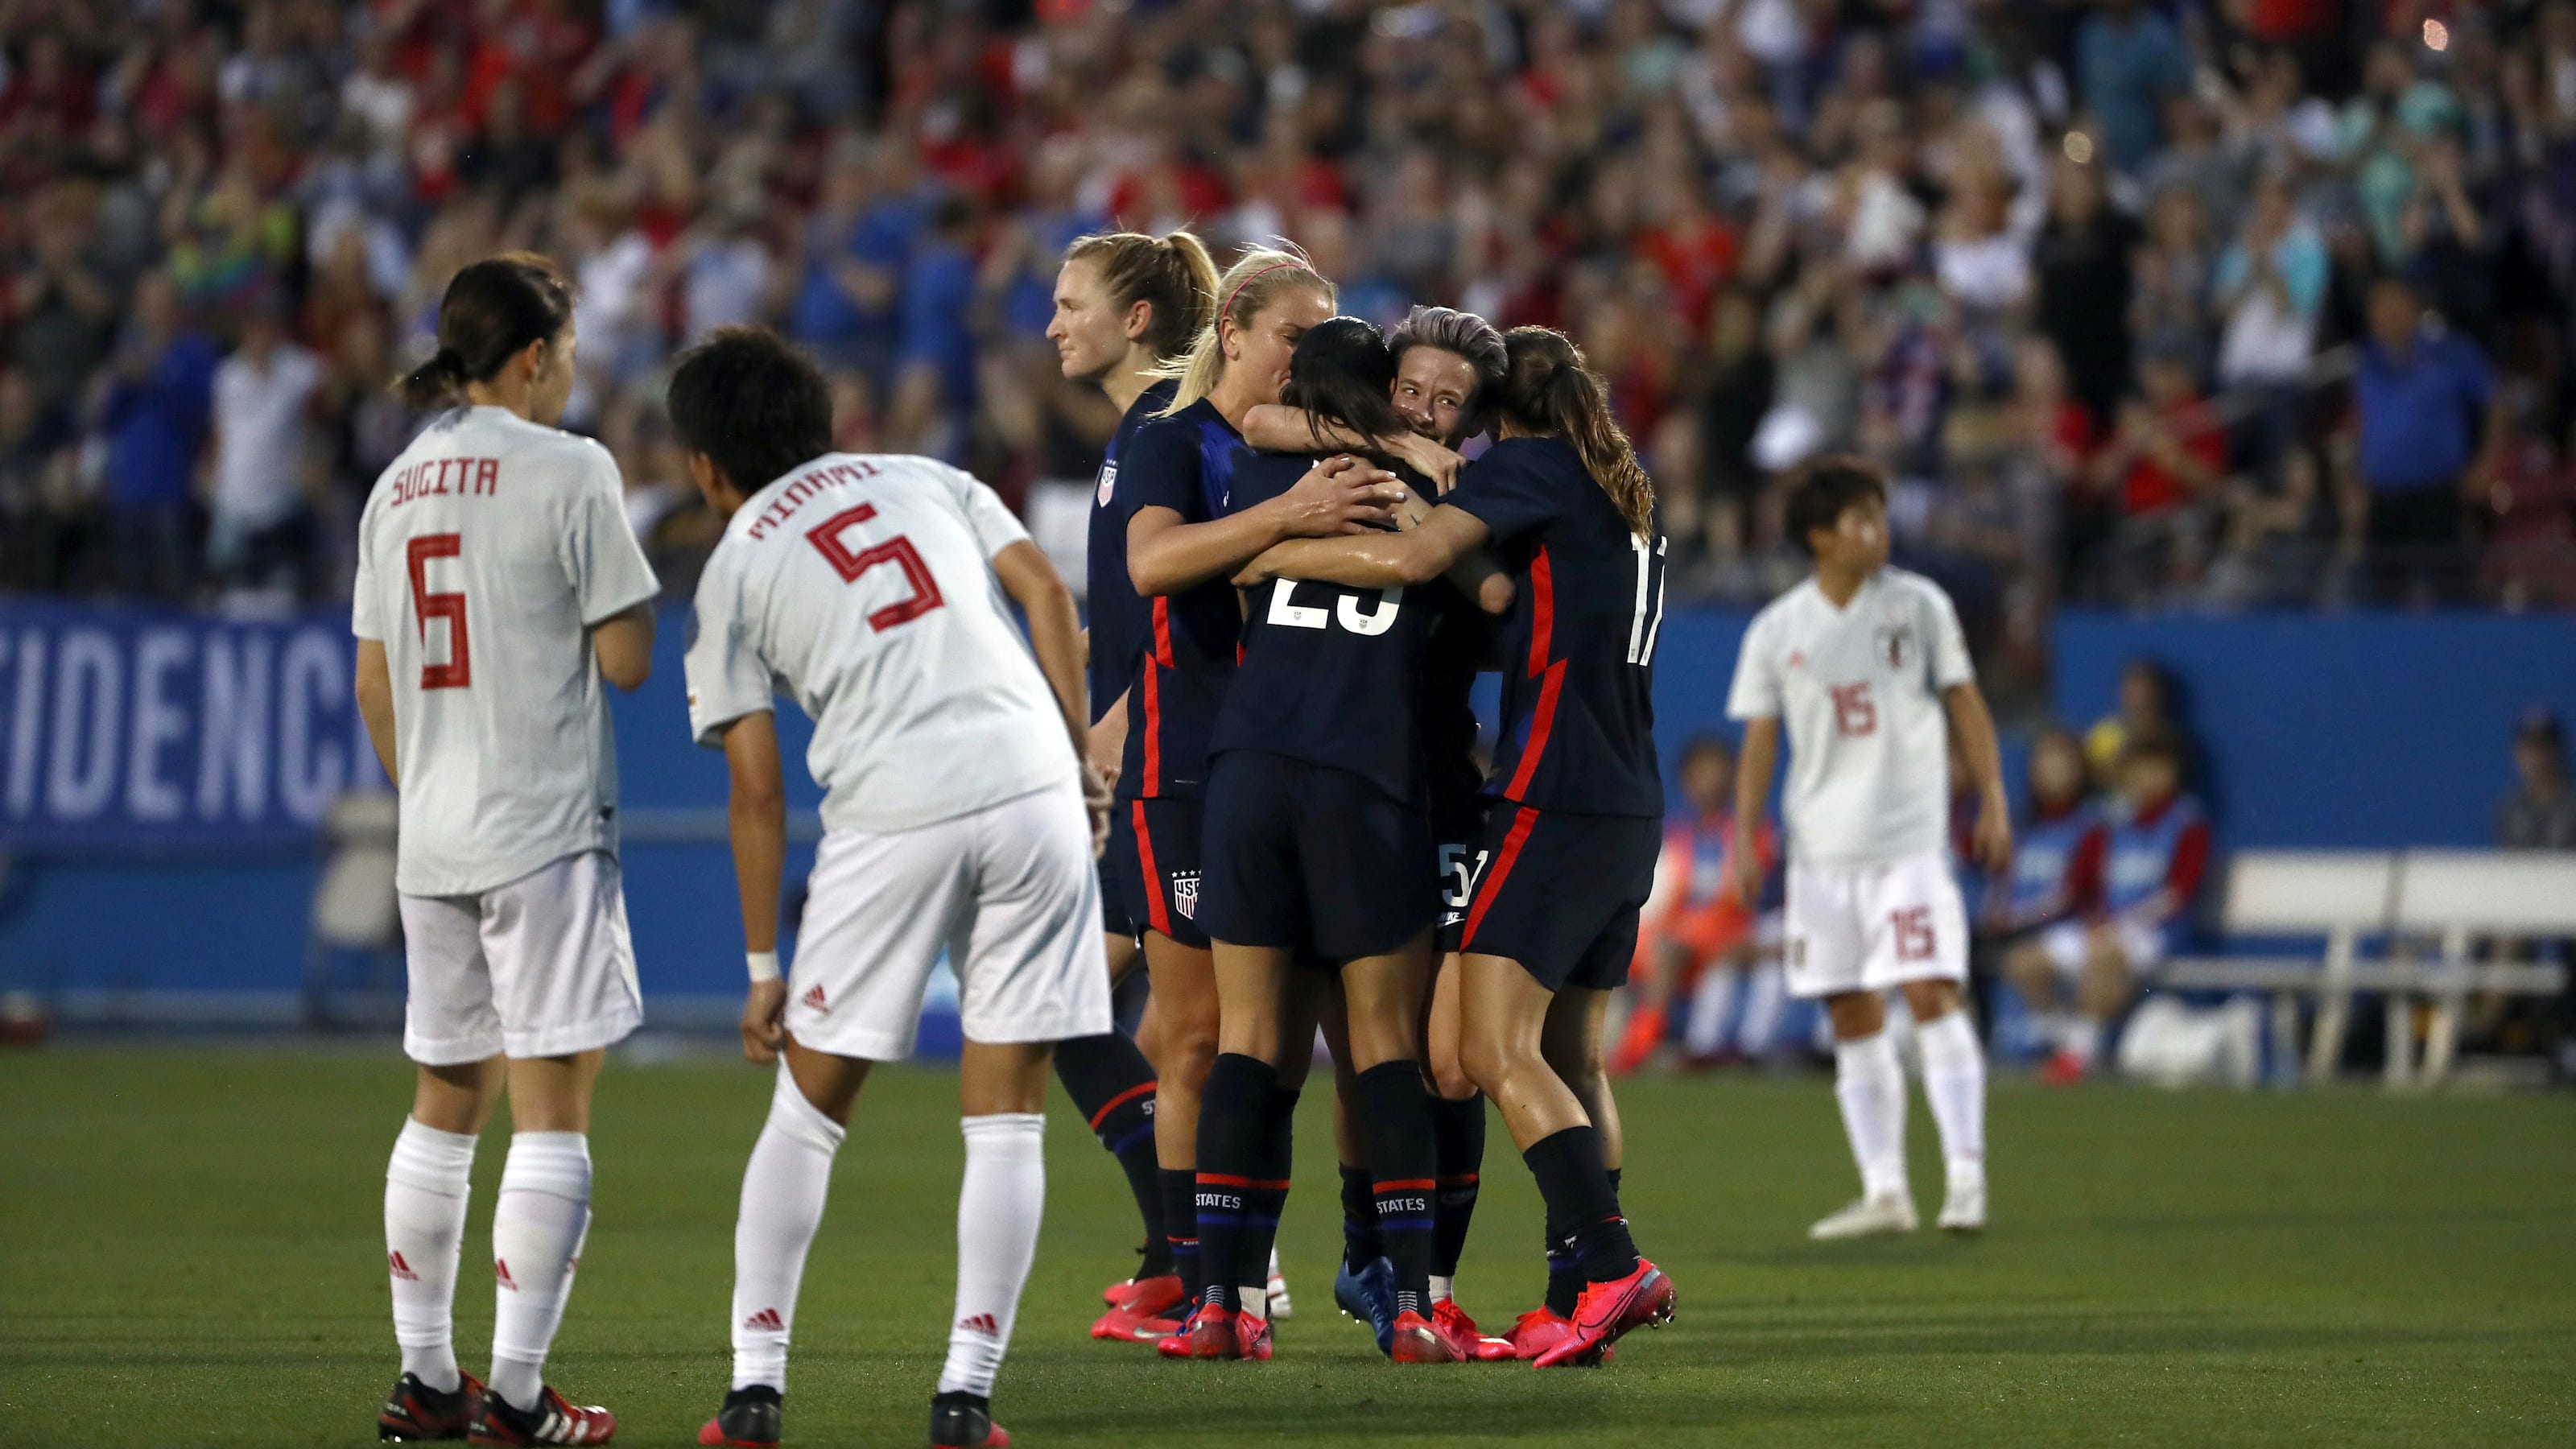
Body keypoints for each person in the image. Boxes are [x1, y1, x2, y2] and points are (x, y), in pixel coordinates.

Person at [671, 328, 1113, 1449]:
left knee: (811, 1114)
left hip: (892, 806)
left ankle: (755, 1392)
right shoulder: (926, 478)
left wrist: (765, 971)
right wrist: (1080, 758)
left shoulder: (731, 567)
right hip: (1030, 787)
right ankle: (966, 1399)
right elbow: (1047, 597)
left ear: (705, 468)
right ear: (821, 425)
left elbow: (758, 796)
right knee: (1007, 1117)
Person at [1234, 326, 1677, 1368]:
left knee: (1485, 1050)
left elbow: (1420, 557)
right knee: (1569, 1056)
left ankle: (1610, 1267)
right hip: (1628, 802)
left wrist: (1271, 547)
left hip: (1552, 796)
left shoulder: (1531, 467)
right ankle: (1579, 1301)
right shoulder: (1627, 489)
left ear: (1498, 420)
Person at [355, 254, 658, 1447]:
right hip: (542, 829)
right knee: (551, 1109)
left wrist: (429, 788)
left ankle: (427, 1382)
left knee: (443, 1100)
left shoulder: (394, 487)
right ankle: (520, 1401)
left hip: (432, 835)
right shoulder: (573, 467)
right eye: (571, 351)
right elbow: (628, 658)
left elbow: (377, 680)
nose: (574, 371)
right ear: (532, 357)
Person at [1181, 316, 1510, 1365]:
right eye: (1412, 391)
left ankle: (1222, 1306)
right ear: (1383, 390)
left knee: (1247, 1043)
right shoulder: (1453, 493)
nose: (1423, 411)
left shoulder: (1271, 471)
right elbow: (1489, 599)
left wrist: (1291, 539)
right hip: (1365, 781)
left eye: (1444, 400)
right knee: (1385, 1048)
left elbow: (1238, 544)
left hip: (1250, 769)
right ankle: (1409, 1303)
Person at [1112, 247, 1394, 1340]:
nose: (1304, 356)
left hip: (1294, 764)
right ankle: (1201, 1282)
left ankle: (1324, 1266)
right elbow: (1152, 566)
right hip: (1191, 763)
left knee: (1305, 1039)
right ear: (1232, 328)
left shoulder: (1307, 449)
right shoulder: (1171, 441)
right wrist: (1290, 521)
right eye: (1292, 332)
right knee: (1199, 1038)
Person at [1725, 455, 2011, 1241]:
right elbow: (1758, 741)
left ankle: (1965, 1177)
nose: (1876, 534)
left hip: (1907, 845)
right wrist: (1745, 838)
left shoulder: (1918, 606)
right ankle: (1884, 1190)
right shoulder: (1777, 629)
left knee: (1929, 994)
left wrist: (1991, 796)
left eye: (1879, 518)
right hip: (1819, 853)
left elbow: (1966, 704)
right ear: (1819, 537)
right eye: (1859, 522)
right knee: (1849, 1012)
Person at [1042, 227, 1221, 1343]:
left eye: (1071, 303)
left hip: (1168, 764)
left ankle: (1206, 1253)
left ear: (1137, 317)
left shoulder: (1164, 426)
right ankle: (1175, 1249)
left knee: (1152, 1021)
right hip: (1145, 756)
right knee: (1076, 1005)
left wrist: (1114, 722)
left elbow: (1190, 605)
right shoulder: (1137, 432)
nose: (1054, 323)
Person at [2030, 732, 2210, 1083]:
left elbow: (2178, 895)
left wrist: (2116, 923)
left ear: (2172, 772)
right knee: (2026, 962)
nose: (2145, 778)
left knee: (2104, 955)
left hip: (2158, 934)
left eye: (2155, 768)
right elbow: (2086, 888)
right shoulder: (2112, 822)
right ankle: (2065, 1041)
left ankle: (2079, 1056)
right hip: (2109, 927)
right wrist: (2089, 920)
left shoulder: (2187, 822)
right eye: (2138, 769)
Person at [1610, 735, 1781, 1075]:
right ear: (1686, 782)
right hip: (1678, 942)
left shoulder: (1754, 834)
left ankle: (1640, 1042)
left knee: (1670, 951)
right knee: (1619, 947)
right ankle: (1609, 1041)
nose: (1709, 783)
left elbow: (1745, 900)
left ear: (1734, 778)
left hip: (1729, 937)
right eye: (1699, 775)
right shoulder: (1676, 836)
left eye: (1717, 773)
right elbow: (1662, 898)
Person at [1991, 728, 2112, 1059]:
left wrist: (2021, 917)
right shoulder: (2027, 827)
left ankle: (2070, 1045)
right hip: (2025, 929)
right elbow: (2003, 883)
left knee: (2022, 960)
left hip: (2070, 929)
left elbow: (2070, 896)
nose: (2052, 771)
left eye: (2062, 762)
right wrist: (1999, 914)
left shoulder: (2091, 826)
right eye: (2045, 762)